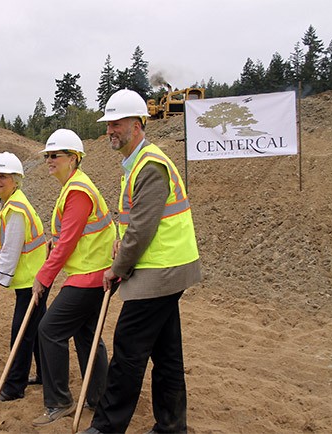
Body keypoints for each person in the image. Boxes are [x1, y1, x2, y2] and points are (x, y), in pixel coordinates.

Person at [81, 89, 202, 434]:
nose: (110, 130)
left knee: (129, 351)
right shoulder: (135, 164)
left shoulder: (150, 165)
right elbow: (135, 224)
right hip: (166, 267)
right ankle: (172, 425)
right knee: (166, 353)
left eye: (117, 123)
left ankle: (106, 427)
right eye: (108, 125)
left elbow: (142, 230)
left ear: (137, 124)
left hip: (160, 271)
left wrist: (117, 268)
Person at [31, 129, 116, 427]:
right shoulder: (73, 187)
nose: (50, 160)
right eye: (48, 156)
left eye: (56, 155)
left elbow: (68, 241)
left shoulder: (78, 191)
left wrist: (44, 276)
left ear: (74, 158)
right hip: (93, 272)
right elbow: (68, 237)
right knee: (87, 335)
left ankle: (59, 401)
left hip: (89, 275)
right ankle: (100, 396)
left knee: (49, 330)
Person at [0, 152, 47, 401]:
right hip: (33, 278)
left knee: (20, 333)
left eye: (3, 176)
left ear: (16, 179)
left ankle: (13, 387)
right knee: (38, 329)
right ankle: (44, 374)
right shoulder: (11, 203)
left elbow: (10, 251)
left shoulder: (17, 209)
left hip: (32, 281)